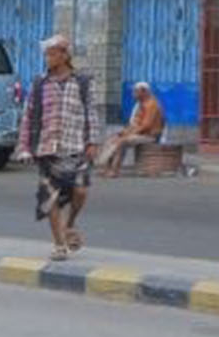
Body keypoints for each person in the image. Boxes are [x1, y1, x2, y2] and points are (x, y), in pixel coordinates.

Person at [15, 35, 97, 261]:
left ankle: (69, 223)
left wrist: (92, 142)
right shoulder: (40, 84)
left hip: (76, 147)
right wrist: (24, 147)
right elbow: (28, 117)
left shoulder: (82, 82)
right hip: (47, 149)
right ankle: (59, 244)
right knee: (50, 198)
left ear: (64, 55)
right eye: (46, 55)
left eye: (52, 54)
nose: (48, 59)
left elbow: (91, 113)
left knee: (80, 191)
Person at [100, 82, 166, 178]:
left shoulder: (151, 105)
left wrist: (128, 134)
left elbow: (146, 126)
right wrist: (124, 132)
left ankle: (115, 170)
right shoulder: (141, 104)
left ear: (144, 92)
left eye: (136, 91)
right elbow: (135, 123)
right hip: (140, 133)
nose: (133, 94)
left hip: (150, 136)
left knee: (122, 142)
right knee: (114, 138)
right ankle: (106, 168)